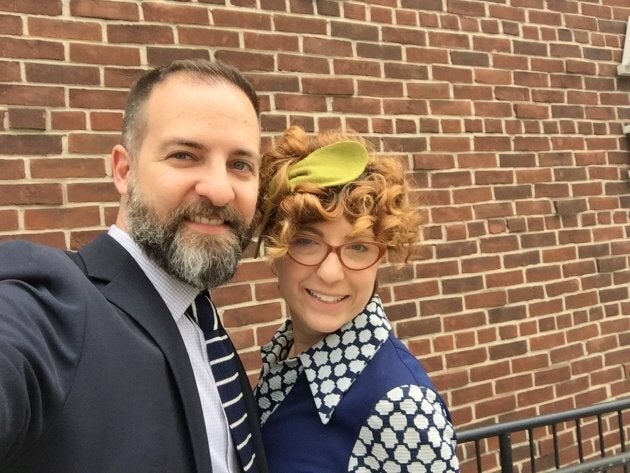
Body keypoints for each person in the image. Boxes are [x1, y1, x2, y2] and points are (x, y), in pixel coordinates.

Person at [0, 59, 268, 473]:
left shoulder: (199, 321)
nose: (219, 190)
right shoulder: (56, 307)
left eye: (240, 165)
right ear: (124, 170)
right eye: (184, 155)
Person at [253, 125, 460, 472]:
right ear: (277, 249)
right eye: (306, 241)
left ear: (381, 256)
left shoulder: (402, 407)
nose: (331, 273)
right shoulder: (285, 359)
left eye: (359, 246)